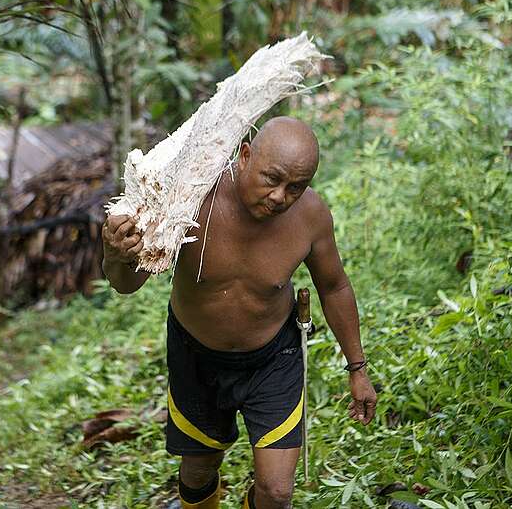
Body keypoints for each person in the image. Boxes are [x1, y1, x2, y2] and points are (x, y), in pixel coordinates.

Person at [102, 116, 376, 509]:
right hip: (196, 356)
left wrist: (358, 369)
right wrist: (115, 255)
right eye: (272, 179)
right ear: (245, 156)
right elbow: (127, 284)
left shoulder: (311, 216)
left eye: (295, 187)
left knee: (277, 491)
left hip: (274, 358)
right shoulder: (190, 199)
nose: (280, 196)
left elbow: (334, 287)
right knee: (198, 471)